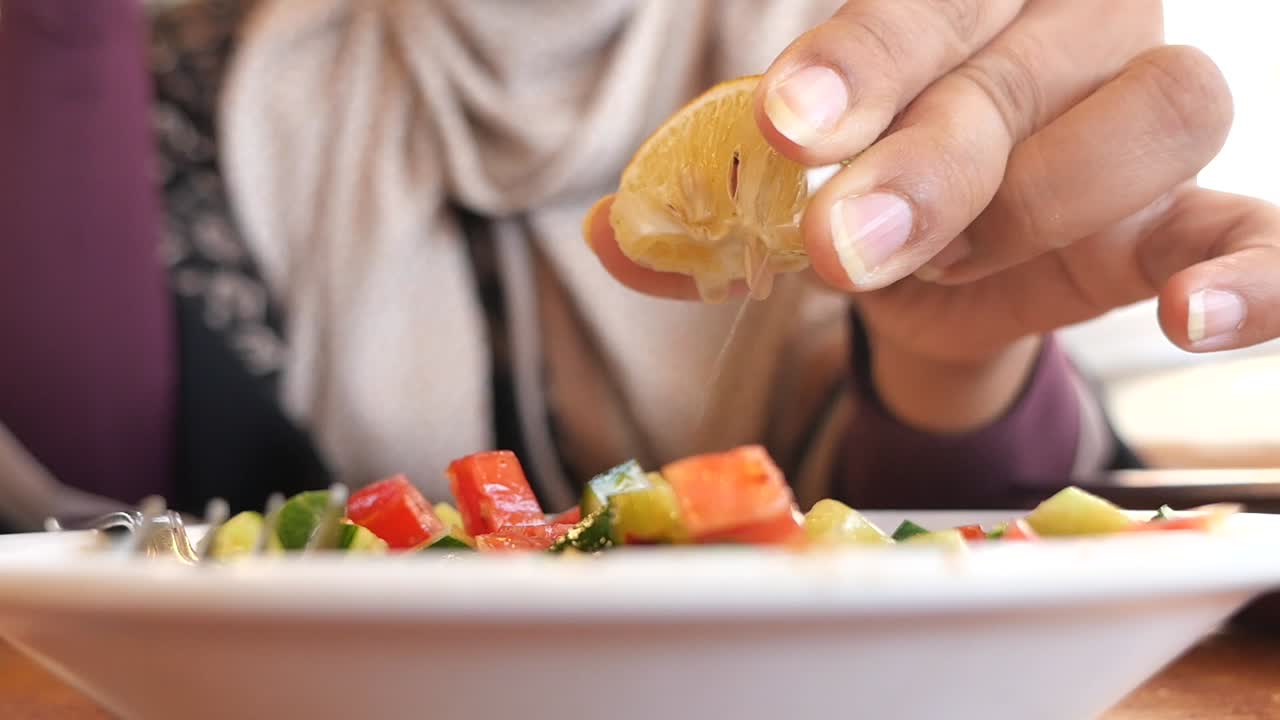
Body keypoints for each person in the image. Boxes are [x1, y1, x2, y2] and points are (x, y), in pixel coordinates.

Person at [2, 0, 1277, 529]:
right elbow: (118, 533)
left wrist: (960, 362)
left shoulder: (873, 50)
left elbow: (957, 549)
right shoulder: (186, 97)